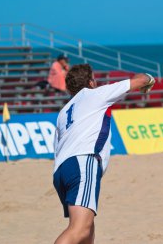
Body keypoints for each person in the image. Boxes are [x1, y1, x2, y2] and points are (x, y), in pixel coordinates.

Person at [53, 64, 155, 244]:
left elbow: (58, 144)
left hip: (62, 171)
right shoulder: (95, 94)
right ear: (91, 82)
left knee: (87, 230)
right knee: (79, 229)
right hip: (83, 162)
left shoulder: (64, 112)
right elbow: (140, 80)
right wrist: (149, 79)